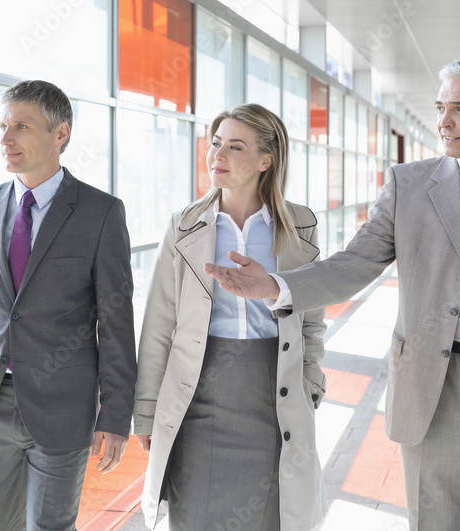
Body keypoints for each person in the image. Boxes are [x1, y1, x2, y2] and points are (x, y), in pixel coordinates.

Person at [205, 57, 460, 531]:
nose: (444, 121)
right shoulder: (408, 186)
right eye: (440, 107)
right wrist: (277, 285)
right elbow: (355, 263)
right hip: (431, 388)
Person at [0, 79, 137, 531]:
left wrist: (114, 414)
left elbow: (115, 319)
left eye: (21, 127)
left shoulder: (100, 212)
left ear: (60, 134)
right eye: (3, 126)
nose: (5, 140)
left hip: (63, 404)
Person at [133, 104, 328, 531]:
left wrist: (311, 383)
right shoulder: (184, 227)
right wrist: (147, 411)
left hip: (272, 397)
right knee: (194, 515)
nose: (217, 155)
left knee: (270, 516)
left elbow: (311, 319)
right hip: (198, 398)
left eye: (234, 146)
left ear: (266, 159)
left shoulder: (299, 226)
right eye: (216, 143)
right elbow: (159, 325)